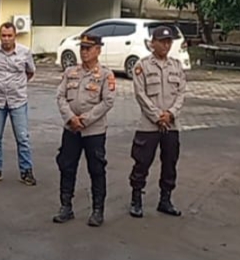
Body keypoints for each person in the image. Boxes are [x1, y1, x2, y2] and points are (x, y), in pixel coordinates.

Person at [53, 34, 116, 227]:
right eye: (82, 48)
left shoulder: (105, 75)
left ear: (98, 50)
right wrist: (71, 118)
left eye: (88, 48)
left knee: (96, 169)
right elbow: (60, 96)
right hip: (71, 128)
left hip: (94, 131)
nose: (84, 52)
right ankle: (66, 206)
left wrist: (85, 120)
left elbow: (108, 101)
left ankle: (97, 210)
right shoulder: (71, 72)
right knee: (67, 166)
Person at [127, 25, 187, 218]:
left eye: (169, 42)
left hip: (171, 124)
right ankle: (136, 199)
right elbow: (140, 94)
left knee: (170, 163)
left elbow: (181, 94)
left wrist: (170, 114)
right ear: (152, 43)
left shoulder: (176, 66)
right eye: (162, 42)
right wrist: (157, 116)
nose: (166, 45)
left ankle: (165, 200)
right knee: (142, 162)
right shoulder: (142, 66)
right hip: (148, 124)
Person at [0, 22, 37, 186]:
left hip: (17, 100)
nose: (6, 39)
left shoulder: (25, 52)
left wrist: (17, 85)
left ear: (15, 36)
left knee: (22, 138)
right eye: (3, 35)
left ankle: (26, 171)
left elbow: (30, 71)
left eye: (9, 36)